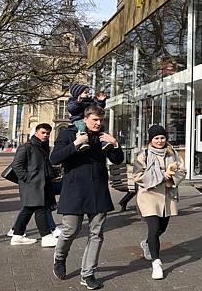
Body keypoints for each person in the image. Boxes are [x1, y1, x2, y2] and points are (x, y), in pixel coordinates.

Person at [50, 106, 123, 290]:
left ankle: (88, 274)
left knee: (96, 234)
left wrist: (115, 143)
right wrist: (76, 144)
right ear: (86, 118)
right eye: (95, 120)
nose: (98, 124)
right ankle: (60, 257)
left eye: (100, 120)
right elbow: (54, 158)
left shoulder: (103, 137)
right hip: (74, 191)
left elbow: (117, 160)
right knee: (71, 230)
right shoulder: (69, 134)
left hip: (98, 191)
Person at [132, 125, 186, 280]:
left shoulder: (173, 153)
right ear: (151, 139)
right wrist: (162, 175)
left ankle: (147, 243)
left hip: (168, 196)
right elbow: (137, 175)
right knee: (154, 228)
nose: (160, 141)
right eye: (156, 138)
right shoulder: (143, 154)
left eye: (162, 137)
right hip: (149, 196)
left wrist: (172, 177)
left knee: (162, 228)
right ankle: (157, 263)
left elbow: (182, 170)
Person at [10, 123, 58, 247]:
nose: (45, 135)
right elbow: (16, 165)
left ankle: (17, 236)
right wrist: (28, 178)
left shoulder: (43, 146)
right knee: (40, 209)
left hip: (41, 183)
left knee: (28, 209)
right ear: (36, 133)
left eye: (47, 133)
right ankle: (46, 237)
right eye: (43, 132)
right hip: (32, 184)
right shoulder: (27, 146)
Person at [67, 84, 110, 151]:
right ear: (78, 94)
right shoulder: (73, 101)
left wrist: (100, 101)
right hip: (78, 119)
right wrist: (77, 103)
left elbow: (97, 109)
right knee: (82, 127)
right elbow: (72, 109)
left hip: (89, 120)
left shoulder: (91, 101)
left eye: (88, 92)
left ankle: (104, 142)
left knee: (102, 128)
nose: (88, 94)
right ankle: (83, 142)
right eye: (85, 92)